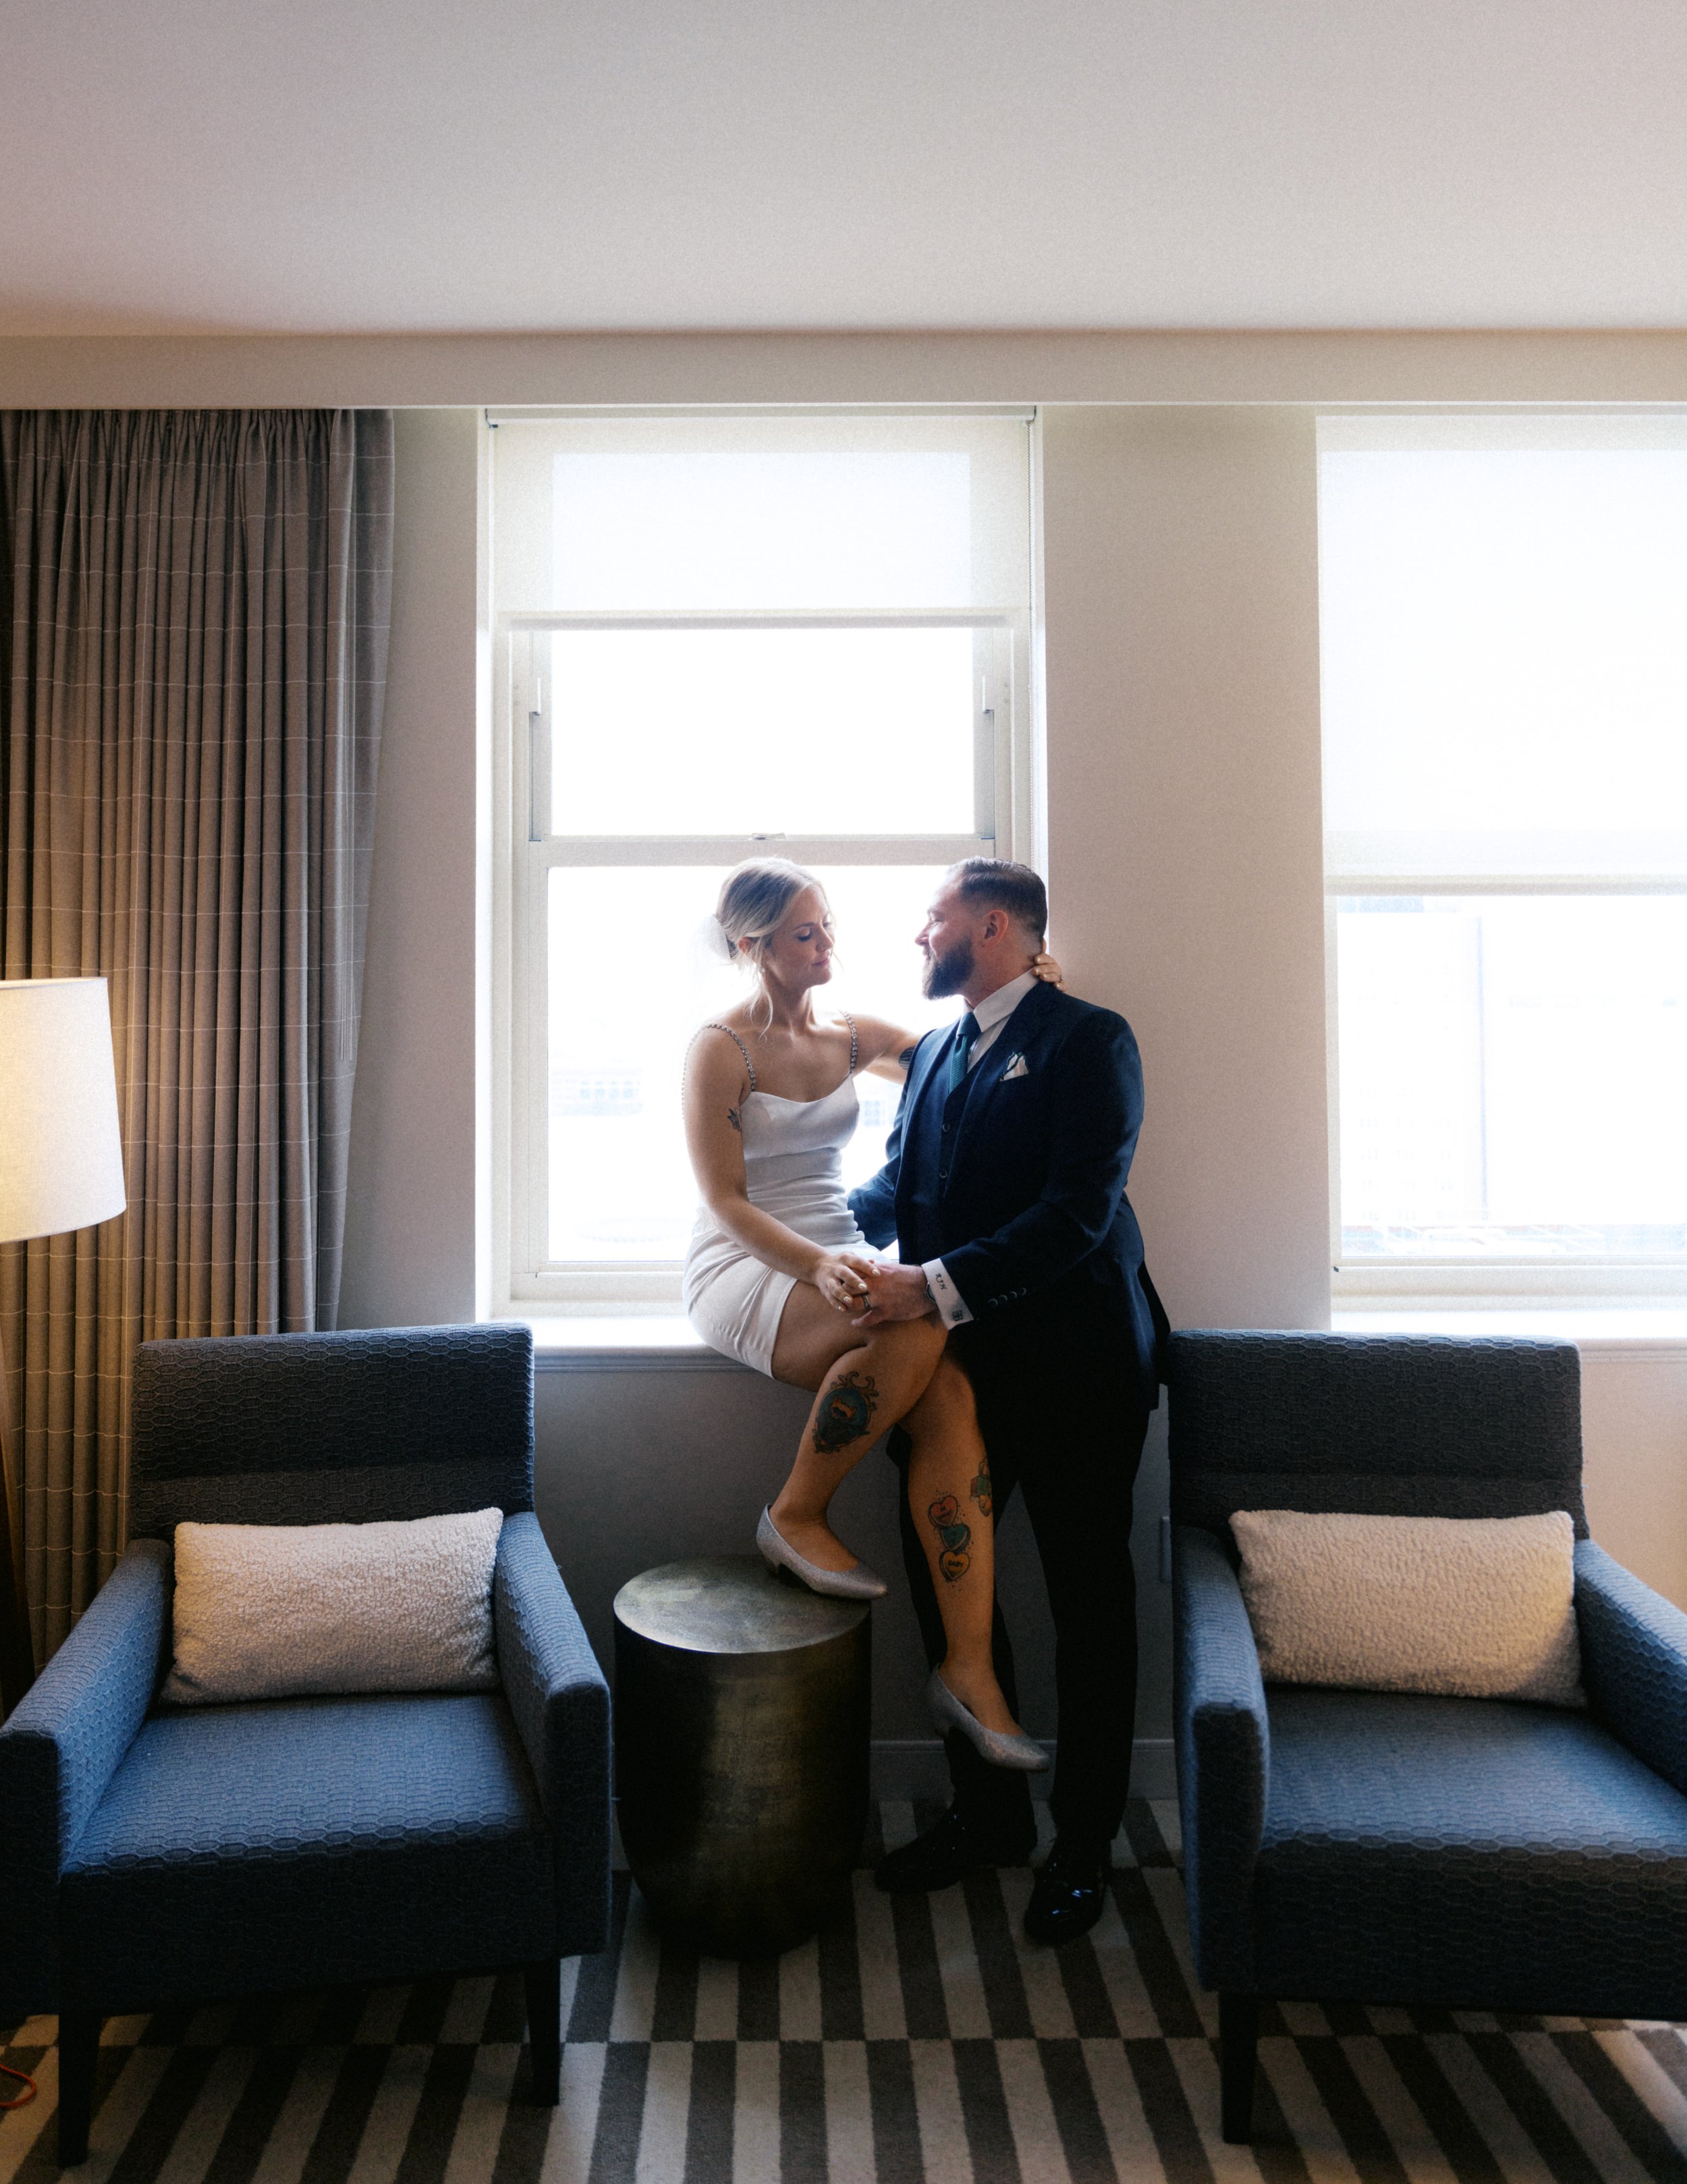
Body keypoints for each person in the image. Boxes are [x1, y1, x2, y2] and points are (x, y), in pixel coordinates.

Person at [847, 857, 1168, 1945]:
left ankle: (1082, 1845)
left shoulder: (1092, 1040)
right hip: (951, 1383)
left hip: (1079, 1368)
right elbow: (901, 1190)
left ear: (990, 927)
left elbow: (1080, 1212)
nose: (918, 937)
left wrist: (928, 1286)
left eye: (931, 919)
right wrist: (806, 1246)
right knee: (951, 1596)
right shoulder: (933, 1051)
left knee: (1089, 1602)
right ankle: (988, 1819)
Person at [682, 858, 1061, 1771]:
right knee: (924, 1315)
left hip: (841, 1250)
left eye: (828, 928)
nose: (826, 947)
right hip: (749, 1260)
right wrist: (824, 1268)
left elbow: (958, 1052)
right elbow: (727, 1201)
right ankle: (795, 1513)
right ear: (752, 946)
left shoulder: (851, 1037)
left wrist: (1040, 991)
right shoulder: (719, 1048)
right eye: (805, 934)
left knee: (953, 1401)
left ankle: (968, 1669)